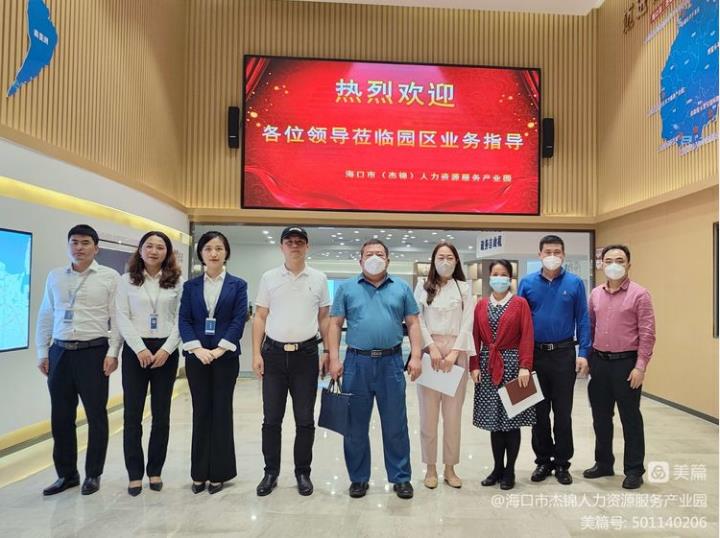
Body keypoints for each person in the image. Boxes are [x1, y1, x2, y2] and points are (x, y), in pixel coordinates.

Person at [328, 239, 422, 500]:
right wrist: (334, 358)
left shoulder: (401, 287)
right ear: (360, 260)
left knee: (395, 424)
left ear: (388, 260)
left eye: (380, 254)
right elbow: (334, 324)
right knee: (354, 426)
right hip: (356, 363)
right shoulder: (347, 288)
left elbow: (413, 323)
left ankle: (401, 478)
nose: (374, 258)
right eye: (369, 254)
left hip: (391, 363)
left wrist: (416, 356)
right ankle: (358, 478)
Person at [36, 224, 121, 496]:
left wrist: (113, 352)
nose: (79, 247)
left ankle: (93, 474)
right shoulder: (55, 276)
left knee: (96, 415)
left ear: (96, 248)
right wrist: (42, 351)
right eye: (74, 242)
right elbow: (46, 314)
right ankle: (67, 475)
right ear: (68, 245)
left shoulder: (109, 277)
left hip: (93, 352)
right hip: (60, 352)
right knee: (61, 417)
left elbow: (117, 317)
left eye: (85, 243)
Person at [252, 226, 331, 497]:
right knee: (271, 418)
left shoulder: (319, 278)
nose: (294, 245)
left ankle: (302, 472)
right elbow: (260, 316)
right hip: (273, 355)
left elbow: (324, 318)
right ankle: (270, 472)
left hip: (306, 356)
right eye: (289, 241)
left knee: (305, 419)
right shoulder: (269, 277)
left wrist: (328, 352)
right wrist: (256, 353)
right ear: (281, 247)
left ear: (307, 246)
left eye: (299, 242)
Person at [517, 234, 591, 485]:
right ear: (539, 255)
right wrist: (522, 361)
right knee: (538, 412)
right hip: (535, 355)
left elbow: (583, 319)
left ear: (563, 255)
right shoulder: (527, 283)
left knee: (562, 413)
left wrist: (583, 353)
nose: (552, 256)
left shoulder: (575, 283)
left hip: (563, 354)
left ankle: (562, 463)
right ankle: (542, 461)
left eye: (557, 252)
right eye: (547, 252)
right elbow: (519, 322)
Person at [179, 231, 248, 495]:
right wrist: (197, 349)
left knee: (221, 412)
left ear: (226, 252)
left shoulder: (237, 285)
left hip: (225, 358)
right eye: (208, 248)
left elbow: (238, 320)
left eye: (219, 248)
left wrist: (218, 350)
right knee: (200, 412)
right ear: (201, 253)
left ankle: (219, 472)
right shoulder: (191, 286)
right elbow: (184, 319)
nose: (214, 253)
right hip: (197, 358)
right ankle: (199, 473)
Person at [116, 231, 183, 496]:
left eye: (160, 247)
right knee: (132, 415)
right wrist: (140, 348)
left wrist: (167, 349)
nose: (154, 251)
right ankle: (134, 474)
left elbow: (181, 318)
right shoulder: (126, 280)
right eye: (149, 246)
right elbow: (121, 317)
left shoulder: (177, 280)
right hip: (136, 351)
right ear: (140, 249)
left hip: (166, 351)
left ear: (167, 252)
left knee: (161, 415)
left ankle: (155, 470)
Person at [584, 245, 655, 489]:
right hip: (599, 363)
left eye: (620, 260)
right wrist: (588, 358)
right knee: (601, 417)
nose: (614, 264)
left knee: (630, 418)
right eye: (608, 260)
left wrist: (640, 366)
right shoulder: (595, 294)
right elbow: (590, 327)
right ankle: (603, 463)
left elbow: (647, 333)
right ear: (601, 264)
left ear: (628, 265)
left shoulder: (640, 294)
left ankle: (634, 469)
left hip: (626, 364)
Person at [413, 242, 475, 489]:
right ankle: (430, 468)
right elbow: (417, 320)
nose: (445, 262)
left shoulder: (464, 288)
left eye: (450, 257)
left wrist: (454, 354)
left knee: (453, 416)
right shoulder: (423, 286)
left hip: (456, 356)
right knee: (428, 416)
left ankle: (450, 468)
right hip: (430, 354)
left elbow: (468, 322)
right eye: (441, 257)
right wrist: (432, 348)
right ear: (433, 260)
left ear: (457, 261)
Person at [470, 260, 535, 490]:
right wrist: (474, 365)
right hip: (488, 365)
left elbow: (527, 335)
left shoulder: (520, 304)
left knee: (512, 421)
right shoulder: (481, 305)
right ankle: (497, 468)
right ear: (490, 277)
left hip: (514, 365)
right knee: (494, 422)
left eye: (503, 274)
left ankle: (510, 471)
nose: (499, 278)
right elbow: (474, 337)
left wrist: (525, 365)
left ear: (510, 278)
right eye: (495, 274)